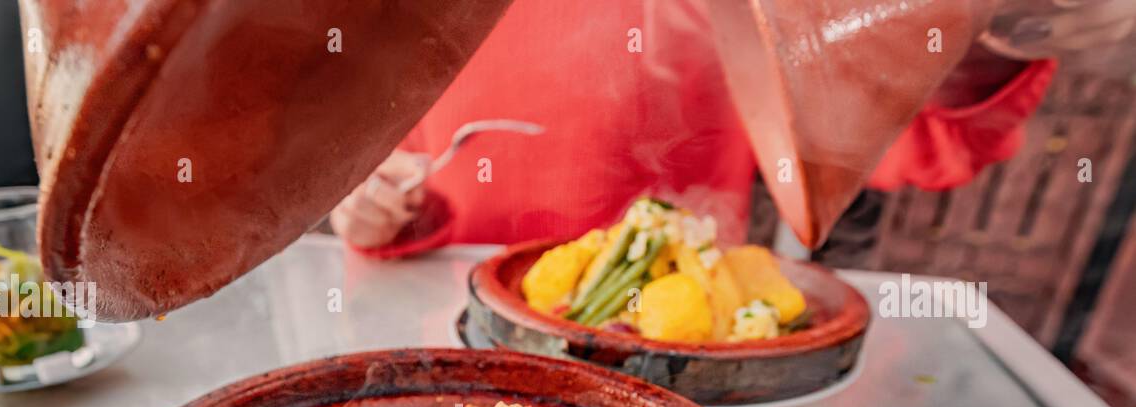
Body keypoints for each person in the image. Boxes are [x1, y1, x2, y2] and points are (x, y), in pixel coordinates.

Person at [329, 0, 1056, 257]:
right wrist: (371, 207)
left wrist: (998, 30)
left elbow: (914, 144)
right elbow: (381, 158)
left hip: (670, 343)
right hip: (454, 316)